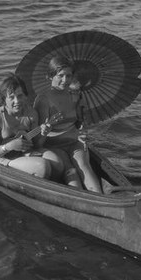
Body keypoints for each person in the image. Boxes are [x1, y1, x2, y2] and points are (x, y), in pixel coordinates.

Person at [34, 56, 102, 193]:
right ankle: (80, 201)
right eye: (60, 76)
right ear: (50, 76)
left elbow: (79, 122)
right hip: (53, 144)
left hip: (73, 141)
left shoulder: (74, 95)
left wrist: (83, 130)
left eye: (69, 75)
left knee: (84, 166)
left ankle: (101, 198)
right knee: (71, 171)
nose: (65, 80)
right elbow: (37, 142)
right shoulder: (43, 99)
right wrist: (44, 131)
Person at [0, 74, 65, 180]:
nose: (17, 101)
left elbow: (37, 144)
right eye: (11, 97)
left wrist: (43, 134)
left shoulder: (31, 113)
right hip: (7, 157)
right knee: (42, 167)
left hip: (27, 152)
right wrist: (9, 146)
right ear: (4, 99)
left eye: (20, 96)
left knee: (58, 164)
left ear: (25, 96)